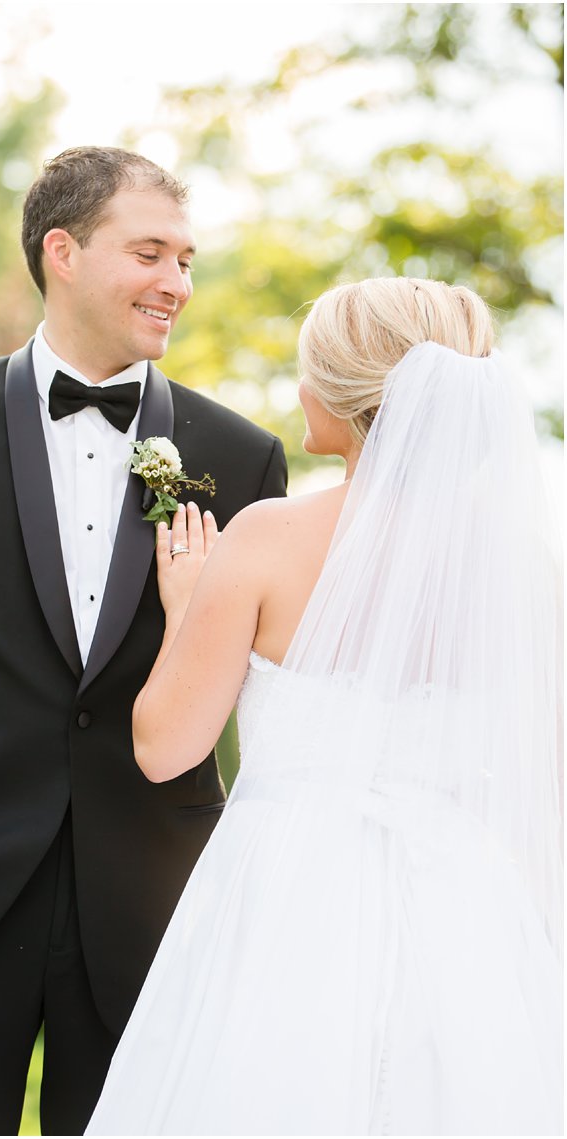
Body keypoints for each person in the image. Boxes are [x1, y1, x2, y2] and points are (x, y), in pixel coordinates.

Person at [0, 146, 288, 1134]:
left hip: (151, 909)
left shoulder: (238, 458)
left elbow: (260, 696)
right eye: (149, 252)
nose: (176, 284)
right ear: (61, 250)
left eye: (187, 260)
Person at [86, 278, 563, 1134]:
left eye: (310, 371)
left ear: (344, 395)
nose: (300, 389)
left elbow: (165, 746)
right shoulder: (524, 564)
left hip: (284, 902)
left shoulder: (268, 537)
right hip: (465, 904)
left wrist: (188, 606)